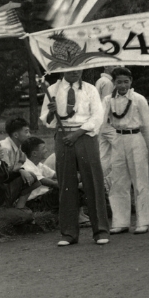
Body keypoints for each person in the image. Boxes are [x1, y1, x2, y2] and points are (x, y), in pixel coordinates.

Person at [40, 70, 109, 246]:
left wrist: (78, 133)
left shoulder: (90, 89)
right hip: (63, 137)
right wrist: (51, 112)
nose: (76, 72)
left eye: (79, 69)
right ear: (62, 70)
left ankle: (100, 230)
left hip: (85, 135)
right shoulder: (53, 90)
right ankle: (69, 233)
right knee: (66, 184)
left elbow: (97, 116)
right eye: (71, 70)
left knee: (93, 181)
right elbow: (46, 120)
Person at [101, 67, 149, 235]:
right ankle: (120, 221)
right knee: (118, 181)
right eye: (119, 82)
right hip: (118, 138)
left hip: (135, 138)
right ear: (113, 82)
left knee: (140, 180)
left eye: (126, 82)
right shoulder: (108, 100)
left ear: (131, 82)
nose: (122, 85)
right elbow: (101, 120)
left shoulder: (138, 99)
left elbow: (148, 121)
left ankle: (143, 221)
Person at [17, 136, 58, 209]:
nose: (46, 150)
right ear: (34, 153)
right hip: (36, 201)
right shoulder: (28, 168)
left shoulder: (39, 165)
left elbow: (56, 175)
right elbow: (53, 184)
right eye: (43, 148)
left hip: (44, 197)